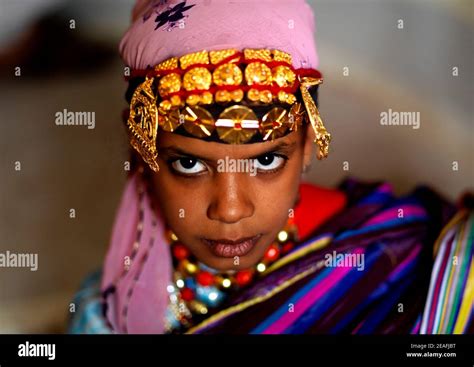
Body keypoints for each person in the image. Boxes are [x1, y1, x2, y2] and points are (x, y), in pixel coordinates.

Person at [68, 0, 473, 334]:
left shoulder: (401, 263)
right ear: (140, 148)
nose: (230, 209)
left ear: (309, 145)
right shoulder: (118, 293)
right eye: (189, 163)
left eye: (265, 160)